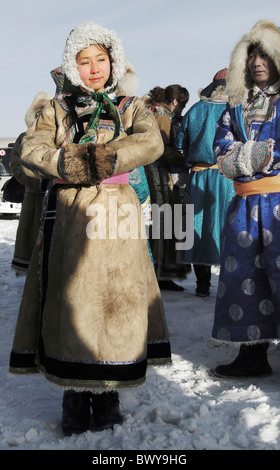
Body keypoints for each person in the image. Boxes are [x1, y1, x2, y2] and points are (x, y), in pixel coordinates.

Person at [9, 22, 171, 435]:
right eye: (85, 61)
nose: (94, 67)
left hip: (118, 216)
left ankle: (108, 396)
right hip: (70, 215)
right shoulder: (57, 108)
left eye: (101, 59)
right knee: (73, 301)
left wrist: (105, 158)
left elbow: (151, 143)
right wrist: (69, 163)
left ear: (113, 62)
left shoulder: (133, 105)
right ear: (72, 65)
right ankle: (74, 396)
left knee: (116, 300)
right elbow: (32, 148)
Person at [211, 20, 280, 378]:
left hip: (278, 206)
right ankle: (252, 355)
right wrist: (253, 155)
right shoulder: (236, 106)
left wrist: (251, 155)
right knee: (244, 278)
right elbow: (220, 148)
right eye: (251, 54)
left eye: (264, 54)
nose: (257, 61)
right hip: (243, 206)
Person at [175, 69, 235, 297]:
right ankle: (229, 285)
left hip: (198, 176)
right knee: (226, 226)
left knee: (198, 226)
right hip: (227, 177)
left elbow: (180, 143)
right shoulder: (234, 109)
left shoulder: (196, 109)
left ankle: (202, 285)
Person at [143, 85, 191, 291]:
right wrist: (183, 158)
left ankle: (159, 271)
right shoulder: (162, 117)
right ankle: (161, 273)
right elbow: (161, 148)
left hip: (153, 170)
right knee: (165, 221)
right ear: (174, 102)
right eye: (182, 104)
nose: (182, 109)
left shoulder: (152, 112)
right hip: (159, 172)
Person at [10, 92, 52, 272]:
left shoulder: (59, 137)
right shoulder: (23, 138)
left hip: (58, 200)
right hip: (34, 200)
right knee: (33, 252)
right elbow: (16, 166)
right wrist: (40, 183)